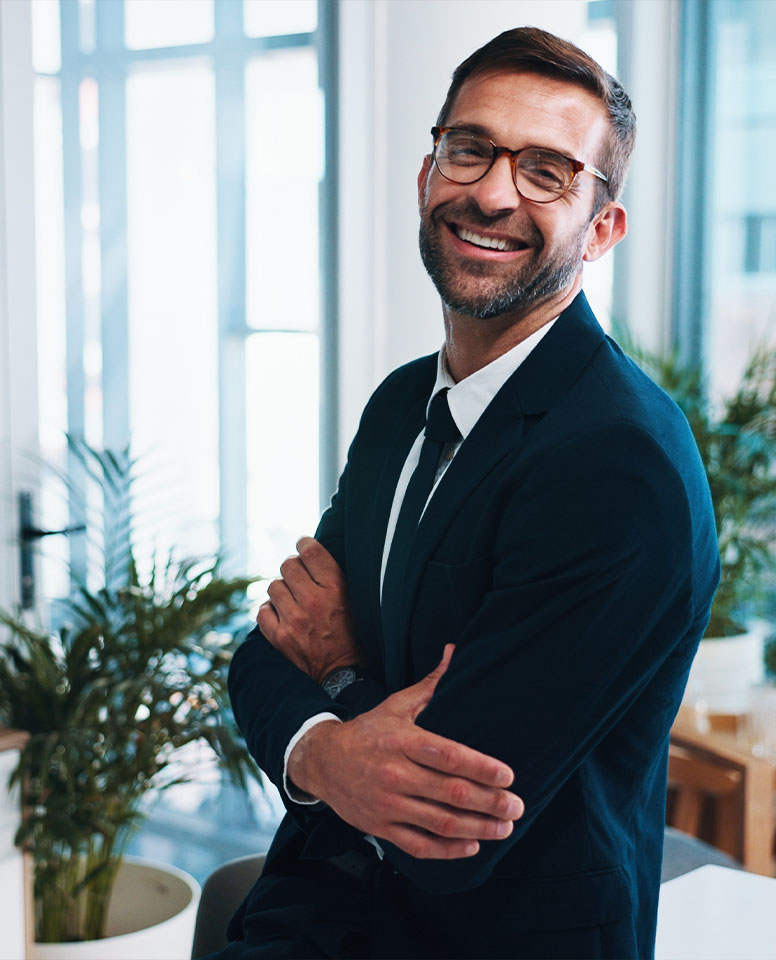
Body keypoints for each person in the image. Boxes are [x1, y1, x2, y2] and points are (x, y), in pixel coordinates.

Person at [222, 26, 719, 960]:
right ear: (426, 175)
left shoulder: (620, 464)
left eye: (547, 172)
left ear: (602, 228)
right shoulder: (401, 402)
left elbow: (449, 832)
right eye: (471, 149)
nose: (493, 192)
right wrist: (329, 748)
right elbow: (261, 655)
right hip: (311, 919)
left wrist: (333, 671)